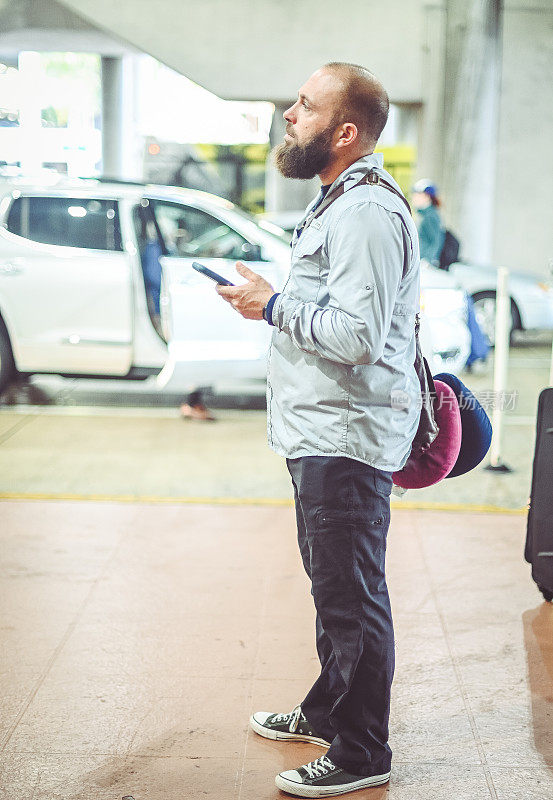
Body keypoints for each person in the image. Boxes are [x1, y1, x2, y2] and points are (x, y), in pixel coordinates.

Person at [216, 63, 420, 798]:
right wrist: (270, 300)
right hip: (320, 431)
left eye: (304, 106)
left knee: (350, 594)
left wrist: (273, 305)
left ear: (343, 132)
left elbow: (358, 335)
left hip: (345, 436)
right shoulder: (340, 202)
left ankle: (363, 752)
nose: (287, 116)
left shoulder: (365, 211)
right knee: (332, 586)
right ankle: (328, 710)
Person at [412, 178, 445, 265]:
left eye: (417, 194)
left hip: (425, 265)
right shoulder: (425, 215)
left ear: (427, 196)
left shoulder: (430, 216)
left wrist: (428, 260)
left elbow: (436, 241)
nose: (414, 197)